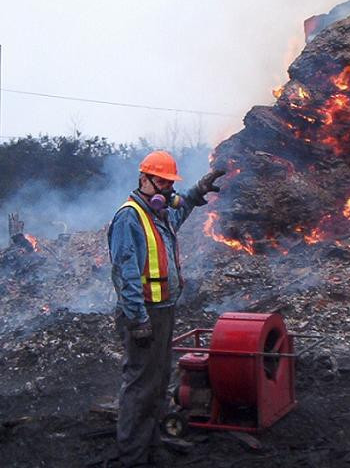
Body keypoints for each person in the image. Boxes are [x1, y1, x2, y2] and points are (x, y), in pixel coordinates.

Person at [108, 150, 224, 467]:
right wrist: (137, 320)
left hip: (164, 309)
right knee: (140, 385)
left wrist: (199, 190)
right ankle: (132, 456)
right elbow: (125, 273)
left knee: (159, 381)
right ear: (143, 179)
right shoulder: (129, 218)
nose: (167, 189)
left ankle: (151, 445)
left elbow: (181, 209)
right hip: (144, 314)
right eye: (161, 182)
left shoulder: (159, 215)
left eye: (169, 183)